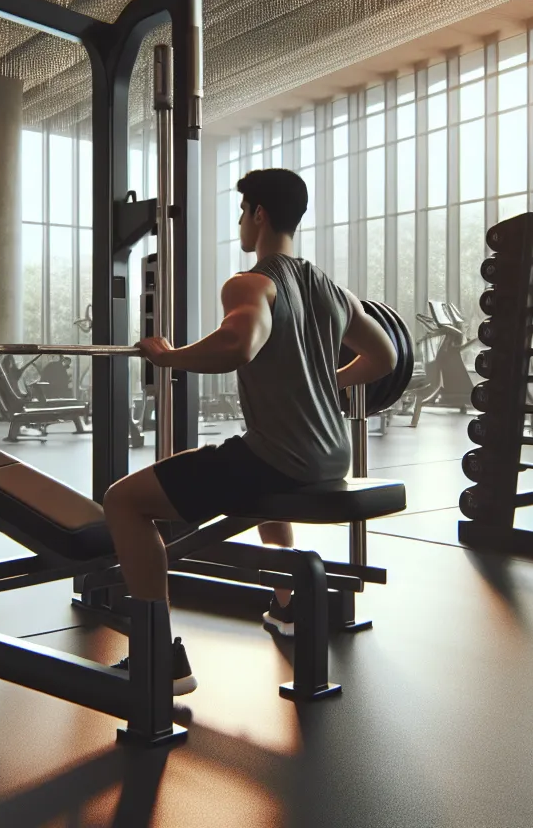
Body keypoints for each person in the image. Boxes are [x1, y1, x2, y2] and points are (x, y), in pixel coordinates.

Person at [103, 167, 398, 695]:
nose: (240, 223)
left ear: (258, 214)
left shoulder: (251, 282)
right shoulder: (331, 289)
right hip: (334, 454)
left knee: (124, 500)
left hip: (282, 457)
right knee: (253, 485)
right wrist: (326, 382)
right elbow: (384, 355)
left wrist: (170, 357)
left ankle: (157, 656)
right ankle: (287, 609)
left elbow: (238, 344)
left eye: (242, 212)